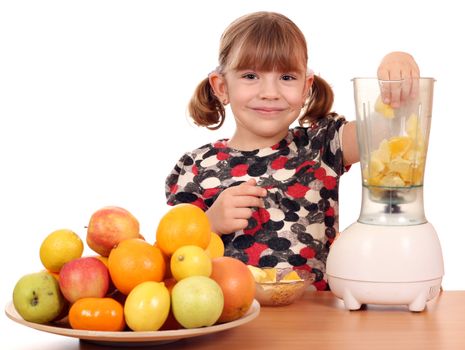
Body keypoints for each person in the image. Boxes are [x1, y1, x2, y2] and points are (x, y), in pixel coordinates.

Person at [165, 11, 419, 290]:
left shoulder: (322, 146)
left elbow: (387, 130)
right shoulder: (196, 167)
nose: (270, 92)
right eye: (251, 76)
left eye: (286, 77)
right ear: (222, 87)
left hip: (316, 320)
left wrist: (397, 70)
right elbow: (172, 260)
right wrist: (209, 223)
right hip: (233, 319)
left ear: (306, 87)